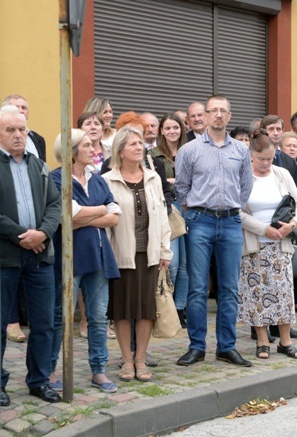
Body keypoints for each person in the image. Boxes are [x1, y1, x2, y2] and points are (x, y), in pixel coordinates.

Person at [175, 95, 253, 367]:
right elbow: (182, 188)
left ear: (230, 116)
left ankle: (226, 346)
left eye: (223, 111)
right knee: (197, 288)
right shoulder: (190, 150)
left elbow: (245, 188)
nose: (218, 115)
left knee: (229, 288)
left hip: (231, 222)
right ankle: (197, 346)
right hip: (200, 222)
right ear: (205, 116)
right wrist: (195, 213)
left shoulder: (242, 151)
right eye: (213, 111)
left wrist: (231, 207)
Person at [50, 129, 121, 393]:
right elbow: (66, 214)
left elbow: (115, 215)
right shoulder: (57, 179)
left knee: (99, 318)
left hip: (99, 256)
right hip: (69, 258)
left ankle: (98, 371)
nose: (94, 150)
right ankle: (49, 370)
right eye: (88, 145)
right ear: (72, 151)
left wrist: (84, 216)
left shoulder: (97, 179)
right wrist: (99, 210)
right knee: (60, 317)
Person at [0, 105, 62, 404]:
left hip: (39, 256)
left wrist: (43, 233)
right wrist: (21, 236)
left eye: (22, 129)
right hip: (5, 257)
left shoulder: (38, 166)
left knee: (43, 322)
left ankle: (38, 380)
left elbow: (54, 205)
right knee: (0, 323)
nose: (17, 135)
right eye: (10, 130)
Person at [102, 127, 172, 382]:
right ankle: (126, 359)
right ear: (120, 151)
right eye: (133, 144)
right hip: (120, 253)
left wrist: (165, 251)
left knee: (145, 308)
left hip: (149, 253)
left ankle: (141, 358)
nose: (139, 147)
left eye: (140, 143)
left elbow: (163, 217)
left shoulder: (153, 177)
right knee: (121, 309)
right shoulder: (108, 180)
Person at [238, 130, 297, 359]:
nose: (266, 163)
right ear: (251, 156)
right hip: (255, 244)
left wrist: (293, 224)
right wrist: (263, 229)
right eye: (261, 159)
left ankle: (285, 341)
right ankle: (262, 340)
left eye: (270, 158)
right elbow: (236, 212)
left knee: (284, 292)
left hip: (281, 244)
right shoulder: (244, 176)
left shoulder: (282, 173)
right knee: (256, 293)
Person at [150, 113, 189, 327]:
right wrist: (175, 181)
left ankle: (180, 309)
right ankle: (168, 307)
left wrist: (175, 180)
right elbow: (156, 183)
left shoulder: (190, 150)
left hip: (190, 209)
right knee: (172, 264)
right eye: (168, 128)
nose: (172, 131)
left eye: (176, 127)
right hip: (168, 211)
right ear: (161, 131)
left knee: (186, 266)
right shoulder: (153, 155)